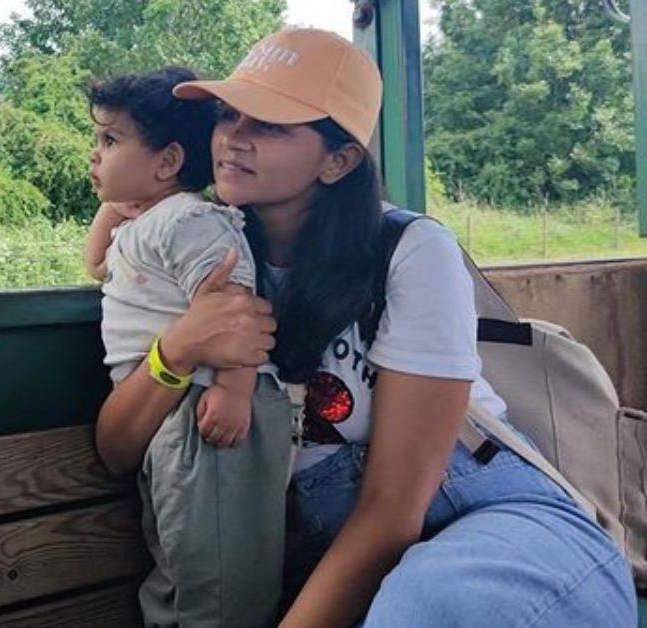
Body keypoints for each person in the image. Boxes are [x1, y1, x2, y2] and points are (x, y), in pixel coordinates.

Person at [99, 27, 637, 627]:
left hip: (478, 517)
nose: (233, 140)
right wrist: (177, 349)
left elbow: (392, 510)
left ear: (339, 160)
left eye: (270, 125)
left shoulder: (408, 249)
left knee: (427, 604)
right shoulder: (196, 255)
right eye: (228, 115)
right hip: (327, 556)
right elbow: (119, 451)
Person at [83, 68, 294, 627]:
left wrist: (233, 390)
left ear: (169, 161)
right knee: (181, 560)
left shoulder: (190, 220)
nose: (94, 154)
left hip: (211, 410)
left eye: (110, 140)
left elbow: (233, 307)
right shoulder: (149, 222)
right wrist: (120, 192)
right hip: (171, 414)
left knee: (219, 579)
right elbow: (96, 262)